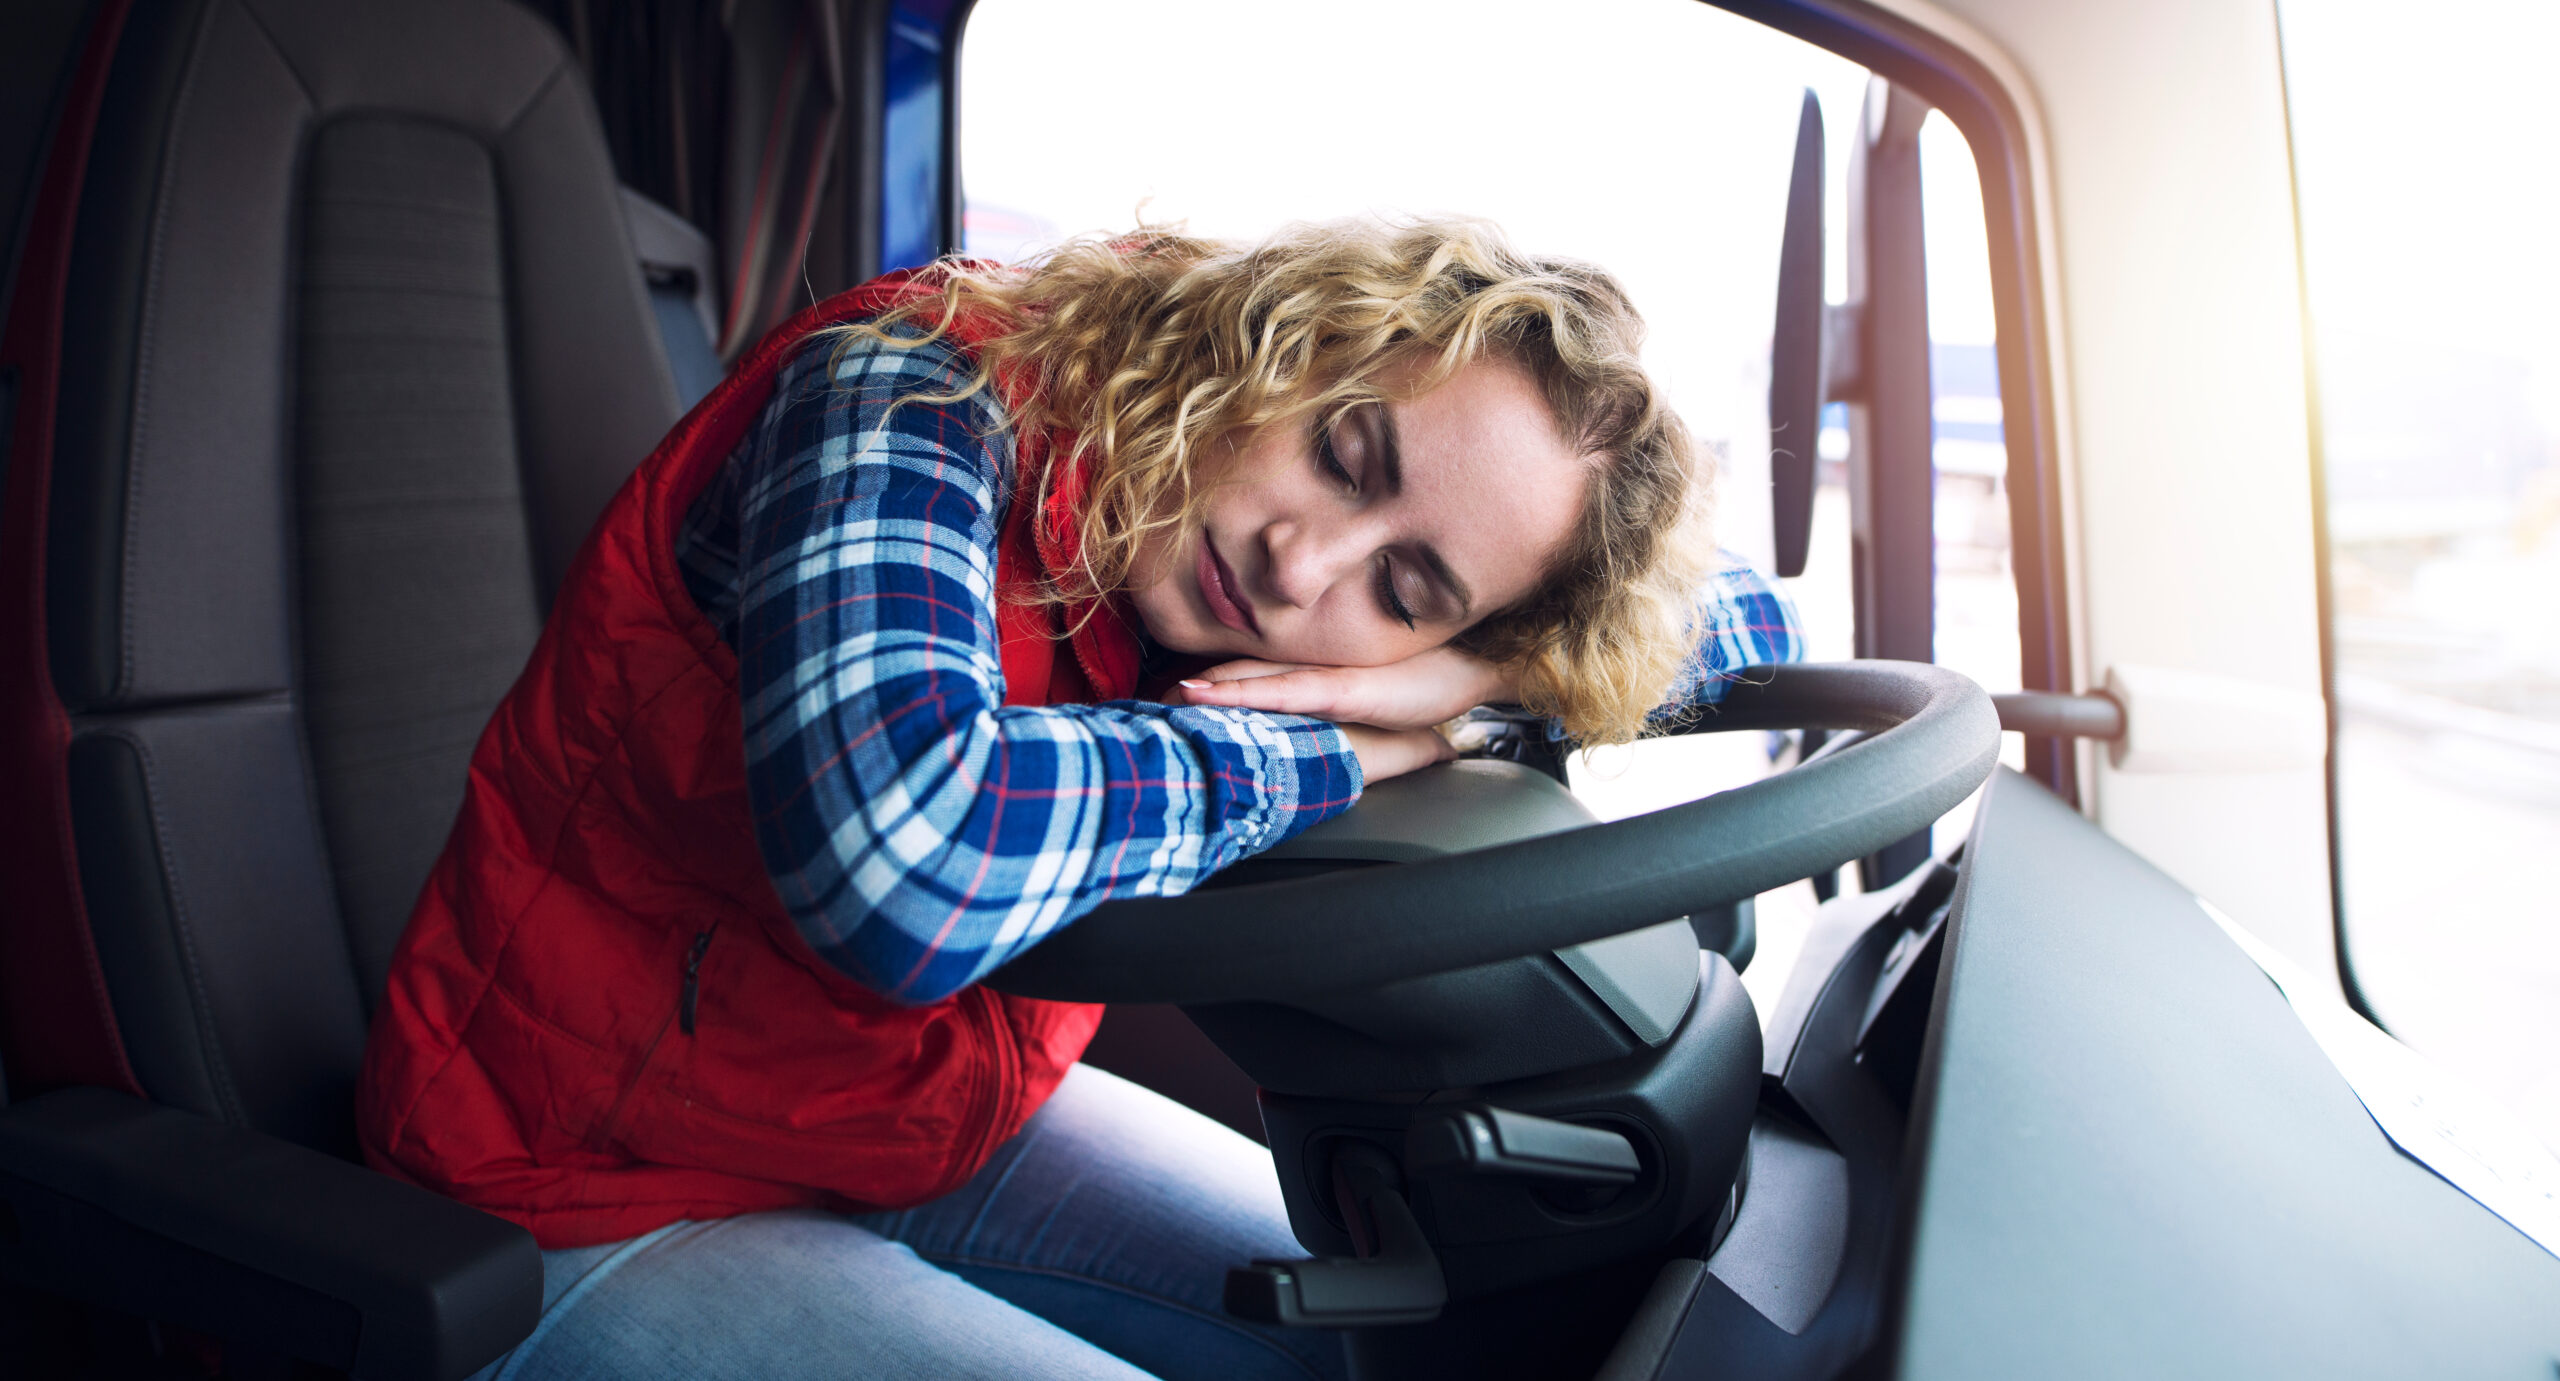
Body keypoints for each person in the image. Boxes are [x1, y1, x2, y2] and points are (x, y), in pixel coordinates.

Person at [356, 218, 1802, 1381]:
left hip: (888, 1119)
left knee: (1404, 1349)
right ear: (1284, 345)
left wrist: (1472, 683)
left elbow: (1747, 625)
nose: (1303, 565)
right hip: (572, 1182)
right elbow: (907, 854)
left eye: (1404, 586)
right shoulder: (912, 387)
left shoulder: (1332, 597)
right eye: (1342, 453)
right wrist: (1341, 743)